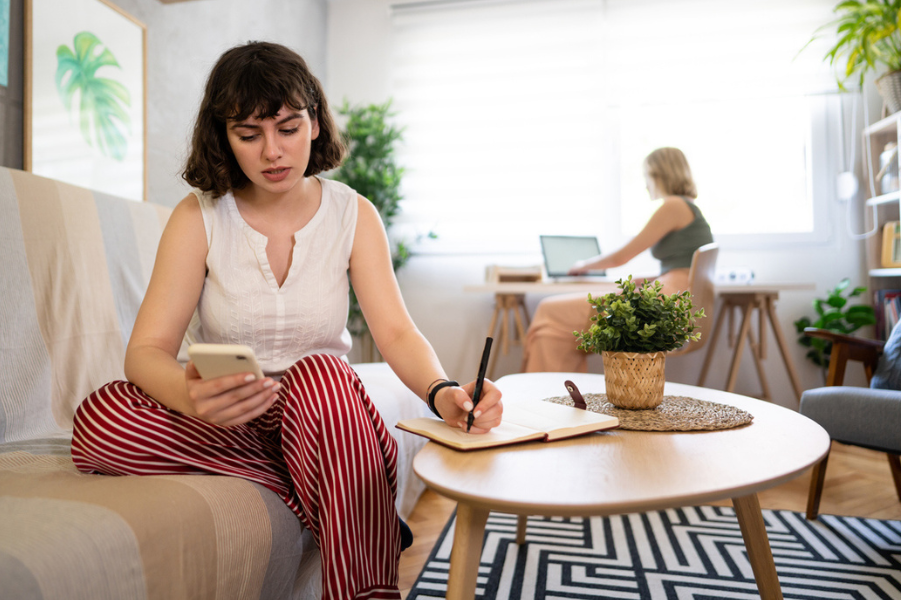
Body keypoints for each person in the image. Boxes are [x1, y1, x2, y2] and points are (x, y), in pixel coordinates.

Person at [69, 41, 503, 600]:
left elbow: (396, 332)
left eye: (288, 128)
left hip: (324, 412)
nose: (272, 152)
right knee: (100, 418)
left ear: (315, 123)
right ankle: (332, 492)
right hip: (229, 419)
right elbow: (147, 351)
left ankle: (364, 581)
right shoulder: (198, 216)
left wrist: (443, 392)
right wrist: (187, 395)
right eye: (248, 135)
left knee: (320, 372)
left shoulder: (353, 213)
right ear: (223, 137)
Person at [521, 147, 713, 373]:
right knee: (550, 333)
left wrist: (583, 265)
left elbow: (622, 256)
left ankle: (541, 390)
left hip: (660, 308)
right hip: (670, 302)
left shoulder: (674, 205)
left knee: (548, 311)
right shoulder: (690, 209)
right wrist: (652, 279)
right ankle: (557, 391)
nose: (646, 185)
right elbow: (684, 268)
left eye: (647, 177)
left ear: (659, 175)